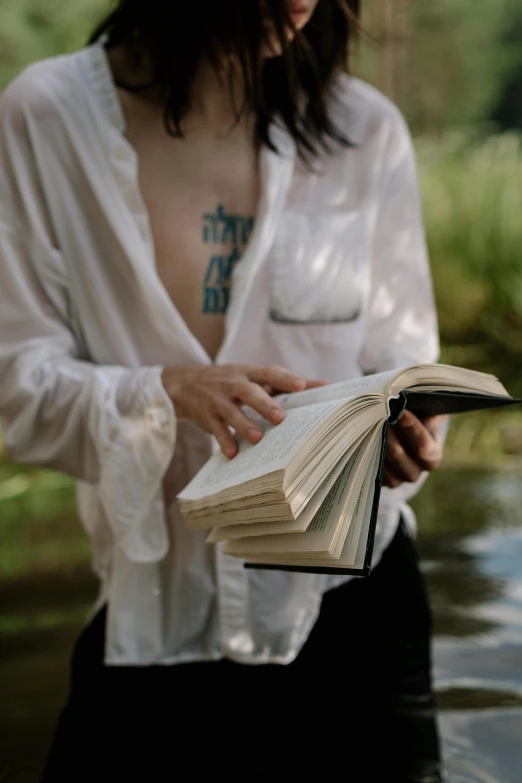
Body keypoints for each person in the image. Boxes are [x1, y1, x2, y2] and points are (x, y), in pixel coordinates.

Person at [0, 1, 446, 780]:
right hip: (154, 607)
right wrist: (162, 388)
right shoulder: (47, 117)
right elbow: (16, 388)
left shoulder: (364, 130)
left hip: (356, 604)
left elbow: (402, 360)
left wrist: (402, 432)